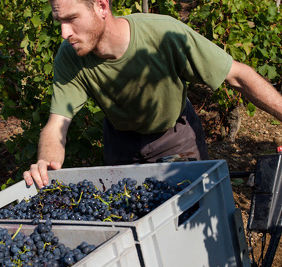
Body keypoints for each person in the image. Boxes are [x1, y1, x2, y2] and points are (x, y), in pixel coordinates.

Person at [24, 0, 282, 188]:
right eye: (60, 22)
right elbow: (57, 123)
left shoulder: (164, 34)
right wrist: (46, 164)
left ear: (101, 7)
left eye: (71, 19)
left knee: (192, 215)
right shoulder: (69, 56)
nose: (64, 33)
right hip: (121, 144)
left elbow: (237, 74)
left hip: (175, 137)